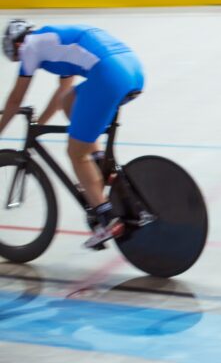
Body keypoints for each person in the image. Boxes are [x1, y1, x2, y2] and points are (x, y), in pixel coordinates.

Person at [0, 20, 144, 249]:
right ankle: (101, 165)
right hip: (133, 69)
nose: (20, 59)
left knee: (75, 153)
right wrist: (37, 126)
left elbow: (15, 99)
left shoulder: (30, 45)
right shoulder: (52, 38)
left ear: (16, 44)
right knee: (71, 103)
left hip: (109, 75)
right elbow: (62, 95)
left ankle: (107, 217)